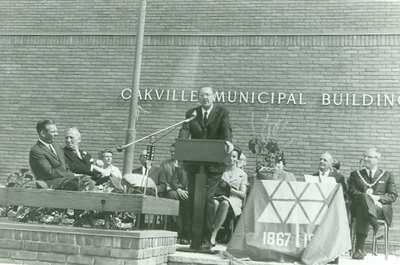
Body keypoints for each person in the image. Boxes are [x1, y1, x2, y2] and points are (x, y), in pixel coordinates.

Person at [178, 86, 233, 248]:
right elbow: (185, 129)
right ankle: (191, 237)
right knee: (193, 199)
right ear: (198, 98)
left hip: (214, 164)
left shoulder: (222, 112)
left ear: (214, 96)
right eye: (202, 95)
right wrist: (181, 143)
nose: (205, 98)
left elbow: (226, 128)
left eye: (208, 95)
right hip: (195, 164)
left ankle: (207, 239)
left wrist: (228, 141)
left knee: (208, 199)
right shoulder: (192, 113)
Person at [348, 148, 397, 260]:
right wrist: (366, 196)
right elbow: (351, 192)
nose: (365, 159)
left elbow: (393, 195)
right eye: (364, 156)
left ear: (377, 159)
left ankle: (359, 249)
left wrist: (378, 197)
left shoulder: (387, 175)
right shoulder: (355, 174)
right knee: (364, 202)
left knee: (363, 208)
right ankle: (376, 226)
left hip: (380, 208)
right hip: (360, 206)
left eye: (369, 157)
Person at [29, 119, 93, 191]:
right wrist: (73, 175)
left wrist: (73, 174)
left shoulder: (57, 148)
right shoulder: (36, 151)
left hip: (64, 180)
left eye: (56, 131)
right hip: (49, 184)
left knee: (90, 181)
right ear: (43, 133)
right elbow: (50, 173)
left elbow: (66, 166)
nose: (57, 134)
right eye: (53, 132)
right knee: (82, 182)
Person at [210, 148, 247, 247]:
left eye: (234, 156)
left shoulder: (243, 175)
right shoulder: (222, 171)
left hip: (234, 200)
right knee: (215, 203)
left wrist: (231, 191)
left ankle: (213, 234)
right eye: (229, 156)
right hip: (219, 196)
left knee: (225, 203)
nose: (231, 158)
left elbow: (243, 194)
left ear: (237, 159)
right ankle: (207, 231)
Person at [158, 143, 191, 244]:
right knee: (173, 195)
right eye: (171, 151)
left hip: (183, 191)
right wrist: (176, 189)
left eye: (174, 152)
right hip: (169, 191)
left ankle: (184, 233)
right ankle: (175, 229)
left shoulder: (184, 165)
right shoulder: (165, 164)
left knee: (186, 202)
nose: (172, 153)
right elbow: (163, 181)